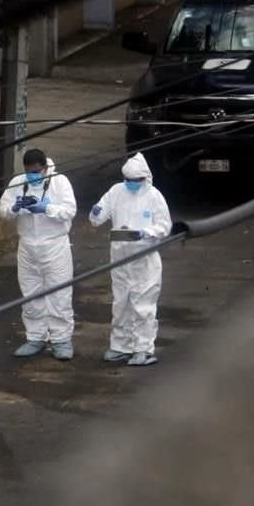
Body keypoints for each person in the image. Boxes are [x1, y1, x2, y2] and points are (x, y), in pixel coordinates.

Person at [88, 152, 172, 366]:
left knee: (142, 305)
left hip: (144, 260)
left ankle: (143, 349)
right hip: (120, 259)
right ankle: (120, 346)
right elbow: (97, 218)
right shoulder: (117, 191)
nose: (131, 184)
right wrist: (95, 212)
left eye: (135, 181)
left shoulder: (154, 196)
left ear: (144, 178)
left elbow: (165, 226)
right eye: (128, 180)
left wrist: (146, 233)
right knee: (121, 304)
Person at [0, 149, 78, 360]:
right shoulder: (18, 182)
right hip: (27, 246)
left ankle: (61, 340)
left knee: (59, 294)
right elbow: (4, 210)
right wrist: (16, 208)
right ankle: (35, 337)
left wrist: (47, 208)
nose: (32, 175)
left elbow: (70, 210)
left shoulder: (60, 182)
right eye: (28, 172)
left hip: (54, 245)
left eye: (36, 171)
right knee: (30, 294)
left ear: (45, 167)